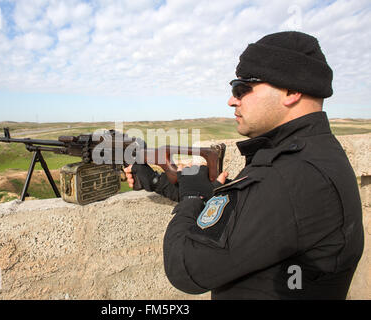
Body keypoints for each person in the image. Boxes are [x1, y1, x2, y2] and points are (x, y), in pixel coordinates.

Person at [123, 31, 364, 300]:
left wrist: (191, 195)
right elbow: (237, 214)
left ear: (292, 90)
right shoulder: (309, 155)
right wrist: (156, 180)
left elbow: (185, 267)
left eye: (242, 89)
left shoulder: (289, 176)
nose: (231, 100)